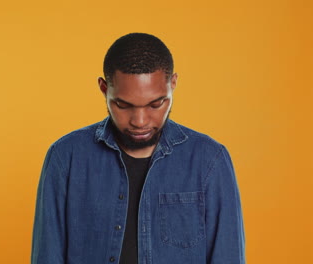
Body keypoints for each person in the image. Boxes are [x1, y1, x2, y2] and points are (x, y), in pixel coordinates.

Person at [31, 33, 245, 264]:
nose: (140, 121)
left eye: (156, 104)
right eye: (123, 105)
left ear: (173, 84)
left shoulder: (209, 161)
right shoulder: (66, 158)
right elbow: (47, 256)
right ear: (104, 89)